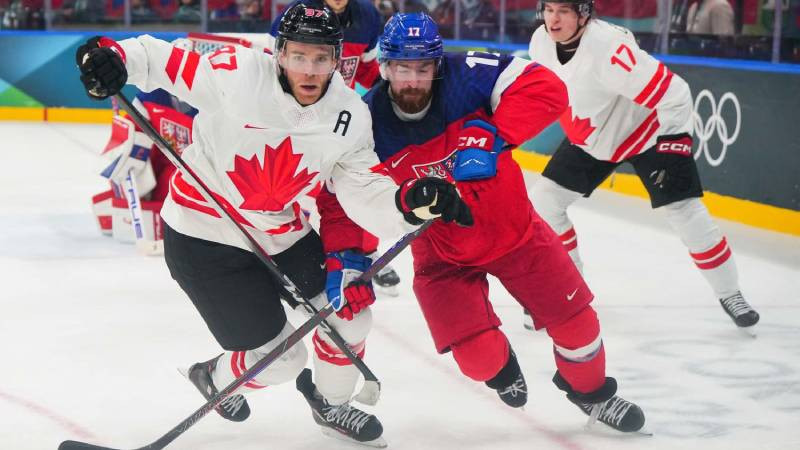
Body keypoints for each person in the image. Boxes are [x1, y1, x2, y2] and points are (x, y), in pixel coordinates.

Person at [76, 4, 470, 446]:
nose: (310, 70)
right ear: (279, 53)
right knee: (282, 359)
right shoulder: (235, 74)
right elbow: (158, 59)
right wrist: (110, 57)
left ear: (337, 60)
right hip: (201, 236)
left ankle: (331, 404)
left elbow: (361, 188)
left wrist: (408, 202)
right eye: (299, 56)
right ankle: (215, 377)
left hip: (278, 231)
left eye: (321, 58)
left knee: (350, 318)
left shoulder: (349, 115)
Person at [326, 12, 646, 433]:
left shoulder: (468, 76)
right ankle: (501, 367)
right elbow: (346, 195)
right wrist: (349, 259)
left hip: (517, 233)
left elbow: (548, 89)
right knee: (479, 361)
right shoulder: (366, 121)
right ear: (384, 68)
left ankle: (591, 393)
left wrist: (492, 135)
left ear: (438, 65)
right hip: (442, 257)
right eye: (403, 69)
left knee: (580, 328)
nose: (413, 80)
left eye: (423, 69)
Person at [527, 0, 759, 333]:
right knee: (544, 202)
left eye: (563, 11)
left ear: (583, 14)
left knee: (684, 211)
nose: (553, 18)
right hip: (592, 139)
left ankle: (730, 293)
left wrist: (674, 146)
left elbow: (675, 92)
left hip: (646, 132)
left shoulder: (608, 48)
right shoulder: (540, 42)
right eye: (549, 10)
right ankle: (570, 291)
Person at [272, 0, 405, 296]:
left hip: (339, 121)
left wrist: (390, 95)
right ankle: (287, 255)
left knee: (355, 189)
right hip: (297, 119)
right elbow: (274, 71)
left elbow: (368, 70)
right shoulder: (297, 14)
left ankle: (365, 254)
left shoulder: (366, 15)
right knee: (293, 192)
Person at [90, 87, 196, 250]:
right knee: (123, 177)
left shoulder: (209, 98)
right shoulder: (151, 96)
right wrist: (126, 148)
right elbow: (132, 129)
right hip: (161, 167)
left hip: (193, 172)